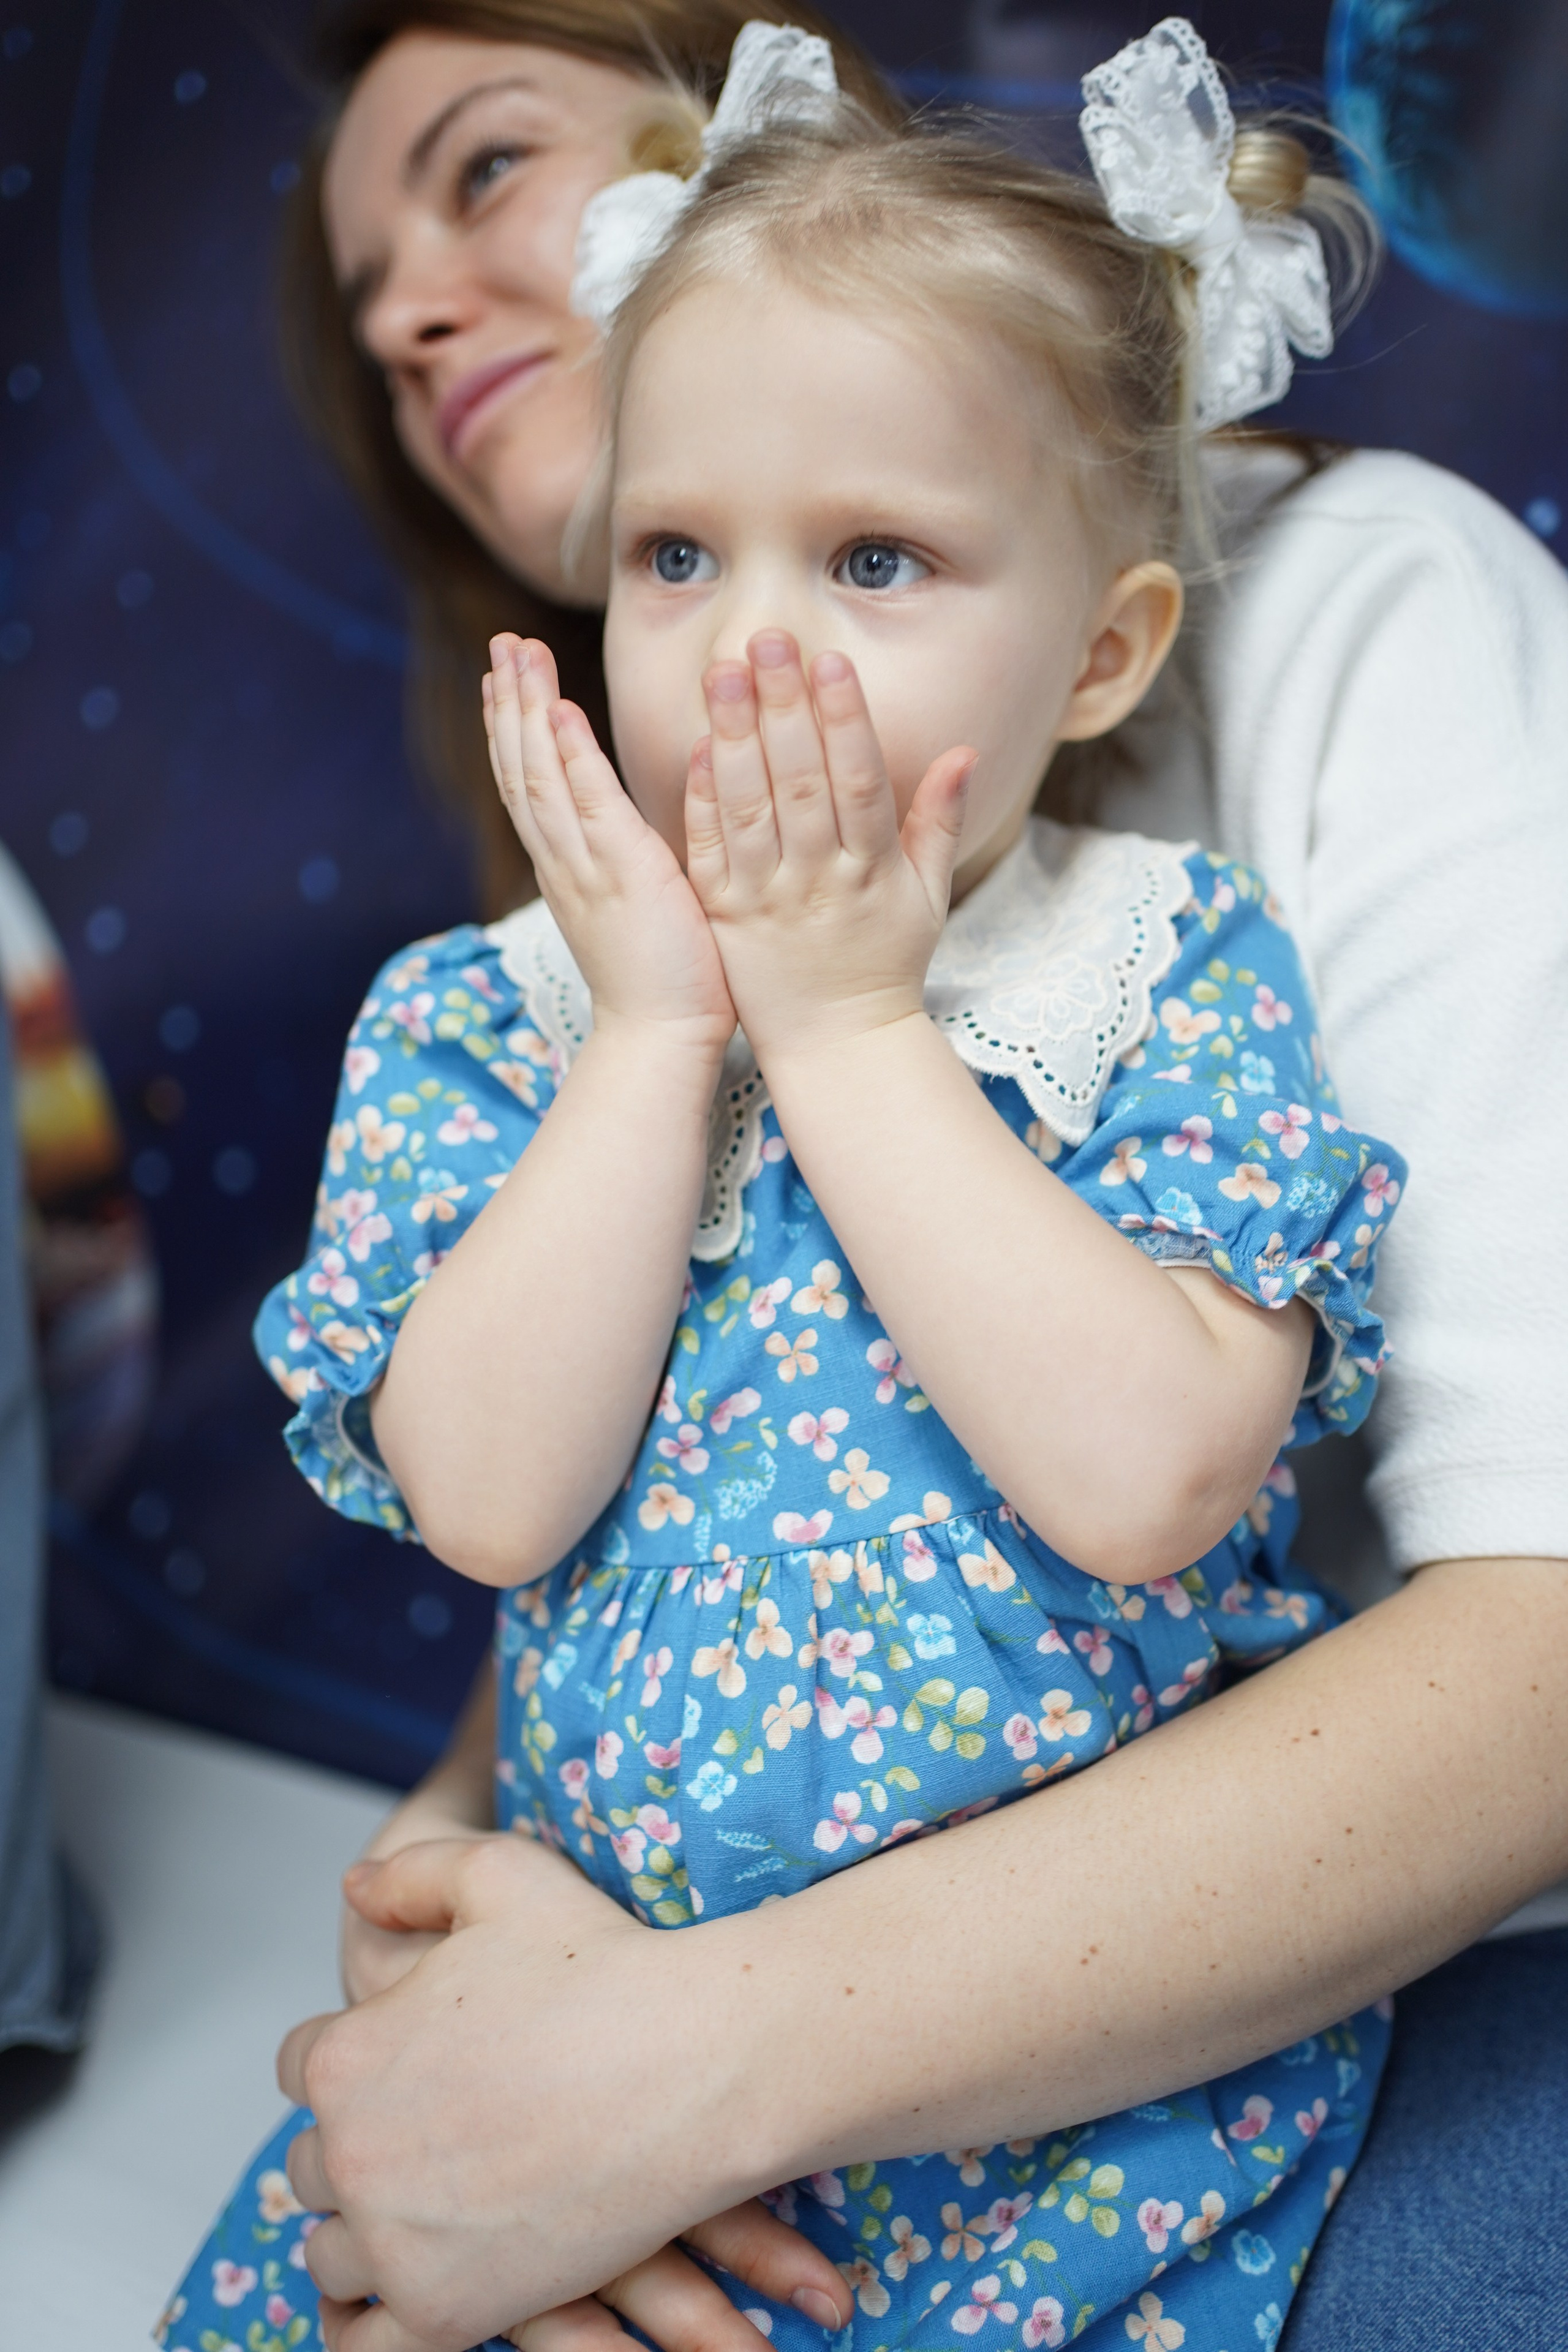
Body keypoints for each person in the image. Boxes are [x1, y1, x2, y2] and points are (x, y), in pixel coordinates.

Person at [167, 5, 1568, 2350]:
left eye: (881, 556)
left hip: (1105, 2043)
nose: (758, 648)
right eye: (682, 555)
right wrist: (460, 1950)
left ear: (1106, 647)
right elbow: (508, 1509)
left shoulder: (1162, 964)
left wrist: (848, 1027)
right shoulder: (504, 1010)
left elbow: (1152, 1477)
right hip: (642, 1958)